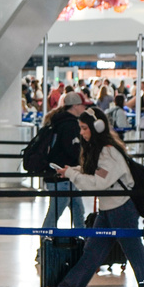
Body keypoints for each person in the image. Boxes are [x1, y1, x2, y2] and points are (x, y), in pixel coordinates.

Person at [45, 107, 144, 287]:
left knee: (134, 253)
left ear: (96, 127)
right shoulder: (100, 150)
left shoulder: (108, 151)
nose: (81, 133)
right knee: (93, 251)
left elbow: (97, 183)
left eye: (84, 128)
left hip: (121, 208)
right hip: (109, 207)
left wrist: (73, 175)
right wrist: (71, 171)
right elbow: (94, 174)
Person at [41, 91, 87, 231]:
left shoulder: (57, 121)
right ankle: (43, 244)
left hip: (63, 175)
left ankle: (86, 244)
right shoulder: (69, 124)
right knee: (54, 214)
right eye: (82, 105)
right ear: (74, 106)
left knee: (78, 210)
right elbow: (71, 150)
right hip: (62, 176)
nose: (84, 108)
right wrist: (85, 162)